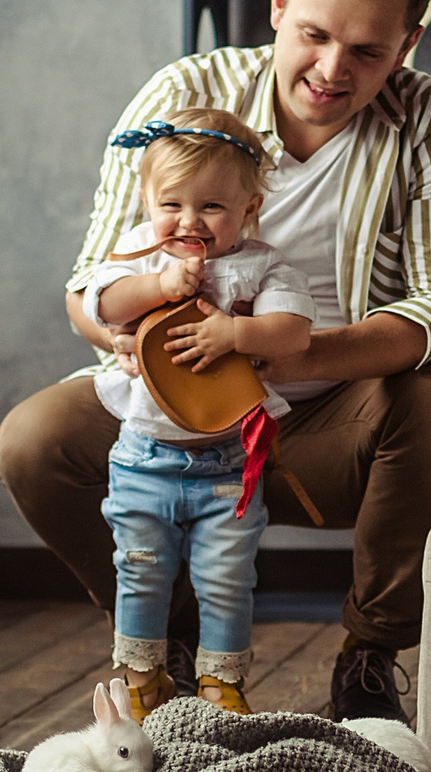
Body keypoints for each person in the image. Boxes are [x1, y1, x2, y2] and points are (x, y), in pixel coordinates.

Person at [0, 0, 431, 723]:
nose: (333, 70)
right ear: (277, 4)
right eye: (314, 35)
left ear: (409, 45)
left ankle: (370, 656)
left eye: (369, 51)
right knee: (32, 442)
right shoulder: (183, 93)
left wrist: (288, 355)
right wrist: (128, 330)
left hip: (333, 415)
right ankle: (171, 641)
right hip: (169, 394)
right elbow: (89, 282)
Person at [83, 108, 315, 718]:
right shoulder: (139, 253)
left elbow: (292, 333)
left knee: (226, 580)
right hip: (143, 457)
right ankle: (141, 681)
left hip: (227, 464)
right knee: (140, 570)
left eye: (212, 207)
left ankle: (221, 686)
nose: (189, 221)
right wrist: (161, 287)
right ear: (145, 200)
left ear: (250, 208)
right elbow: (103, 303)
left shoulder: (263, 265)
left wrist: (235, 334)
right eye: (172, 204)